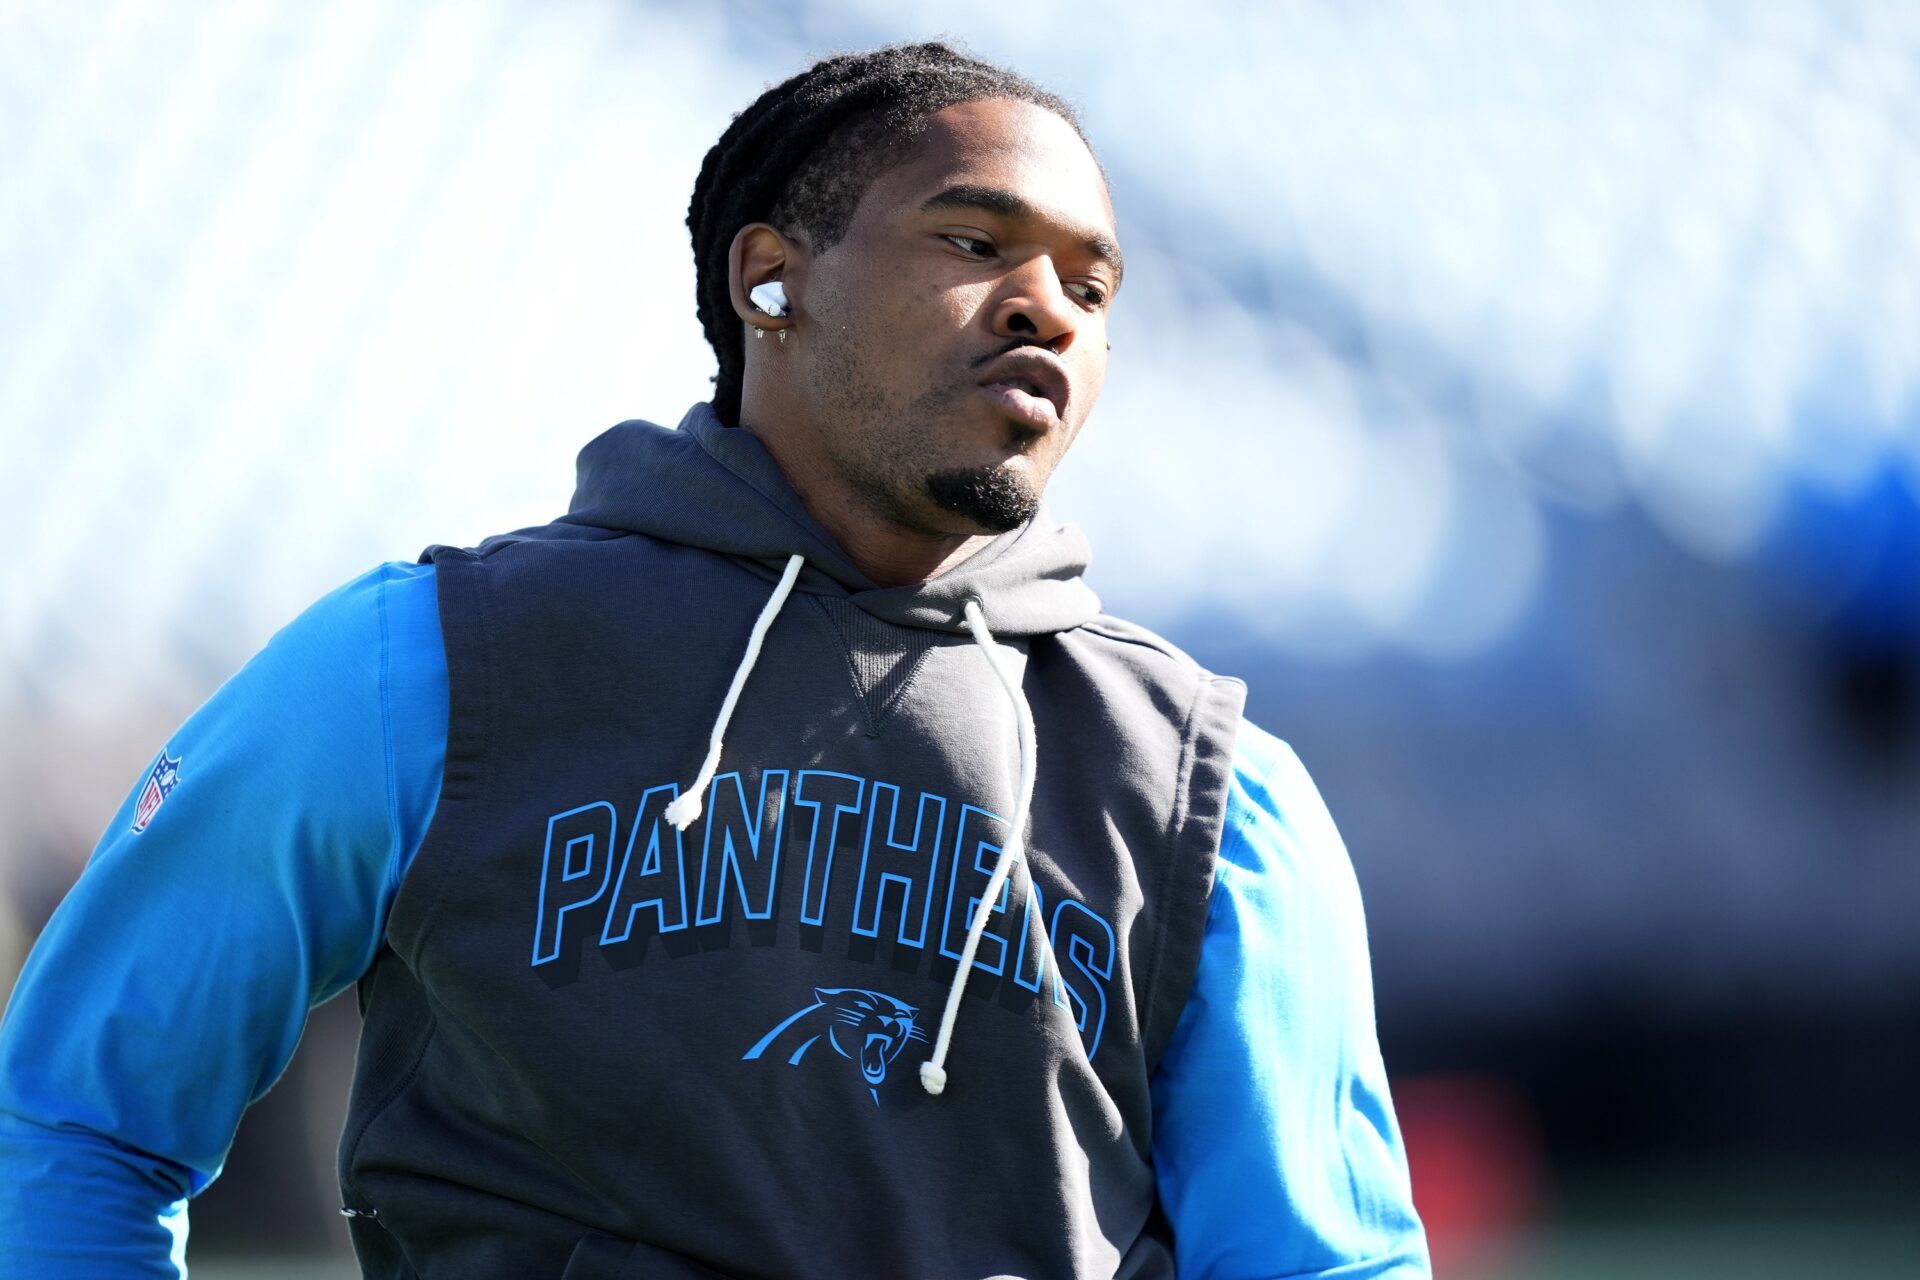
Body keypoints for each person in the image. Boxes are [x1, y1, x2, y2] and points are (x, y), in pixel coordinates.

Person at [0, 42, 1429, 1280]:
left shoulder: (1211, 789)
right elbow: (76, 1122)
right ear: (770, 280)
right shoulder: (428, 663)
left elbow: (1321, 1260)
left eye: (1091, 283)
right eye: (973, 240)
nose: (1047, 305)